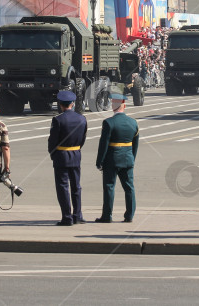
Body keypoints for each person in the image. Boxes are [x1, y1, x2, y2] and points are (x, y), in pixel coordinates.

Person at [94, 87, 139, 223]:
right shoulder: (133, 123)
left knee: (109, 187)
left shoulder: (108, 123)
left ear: (114, 105)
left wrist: (99, 161)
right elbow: (135, 145)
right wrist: (132, 158)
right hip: (127, 159)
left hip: (111, 159)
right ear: (124, 105)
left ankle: (107, 216)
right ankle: (129, 215)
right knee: (129, 188)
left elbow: (104, 144)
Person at [48, 90, 88, 226]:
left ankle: (67, 217)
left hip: (61, 156)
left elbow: (52, 141)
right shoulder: (82, 119)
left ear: (60, 104)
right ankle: (78, 215)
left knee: (62, 187)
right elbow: (82, 140)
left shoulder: (58, 120)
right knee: (76, 186)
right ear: (72, 103)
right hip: (76, 155)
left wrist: (53, 154)